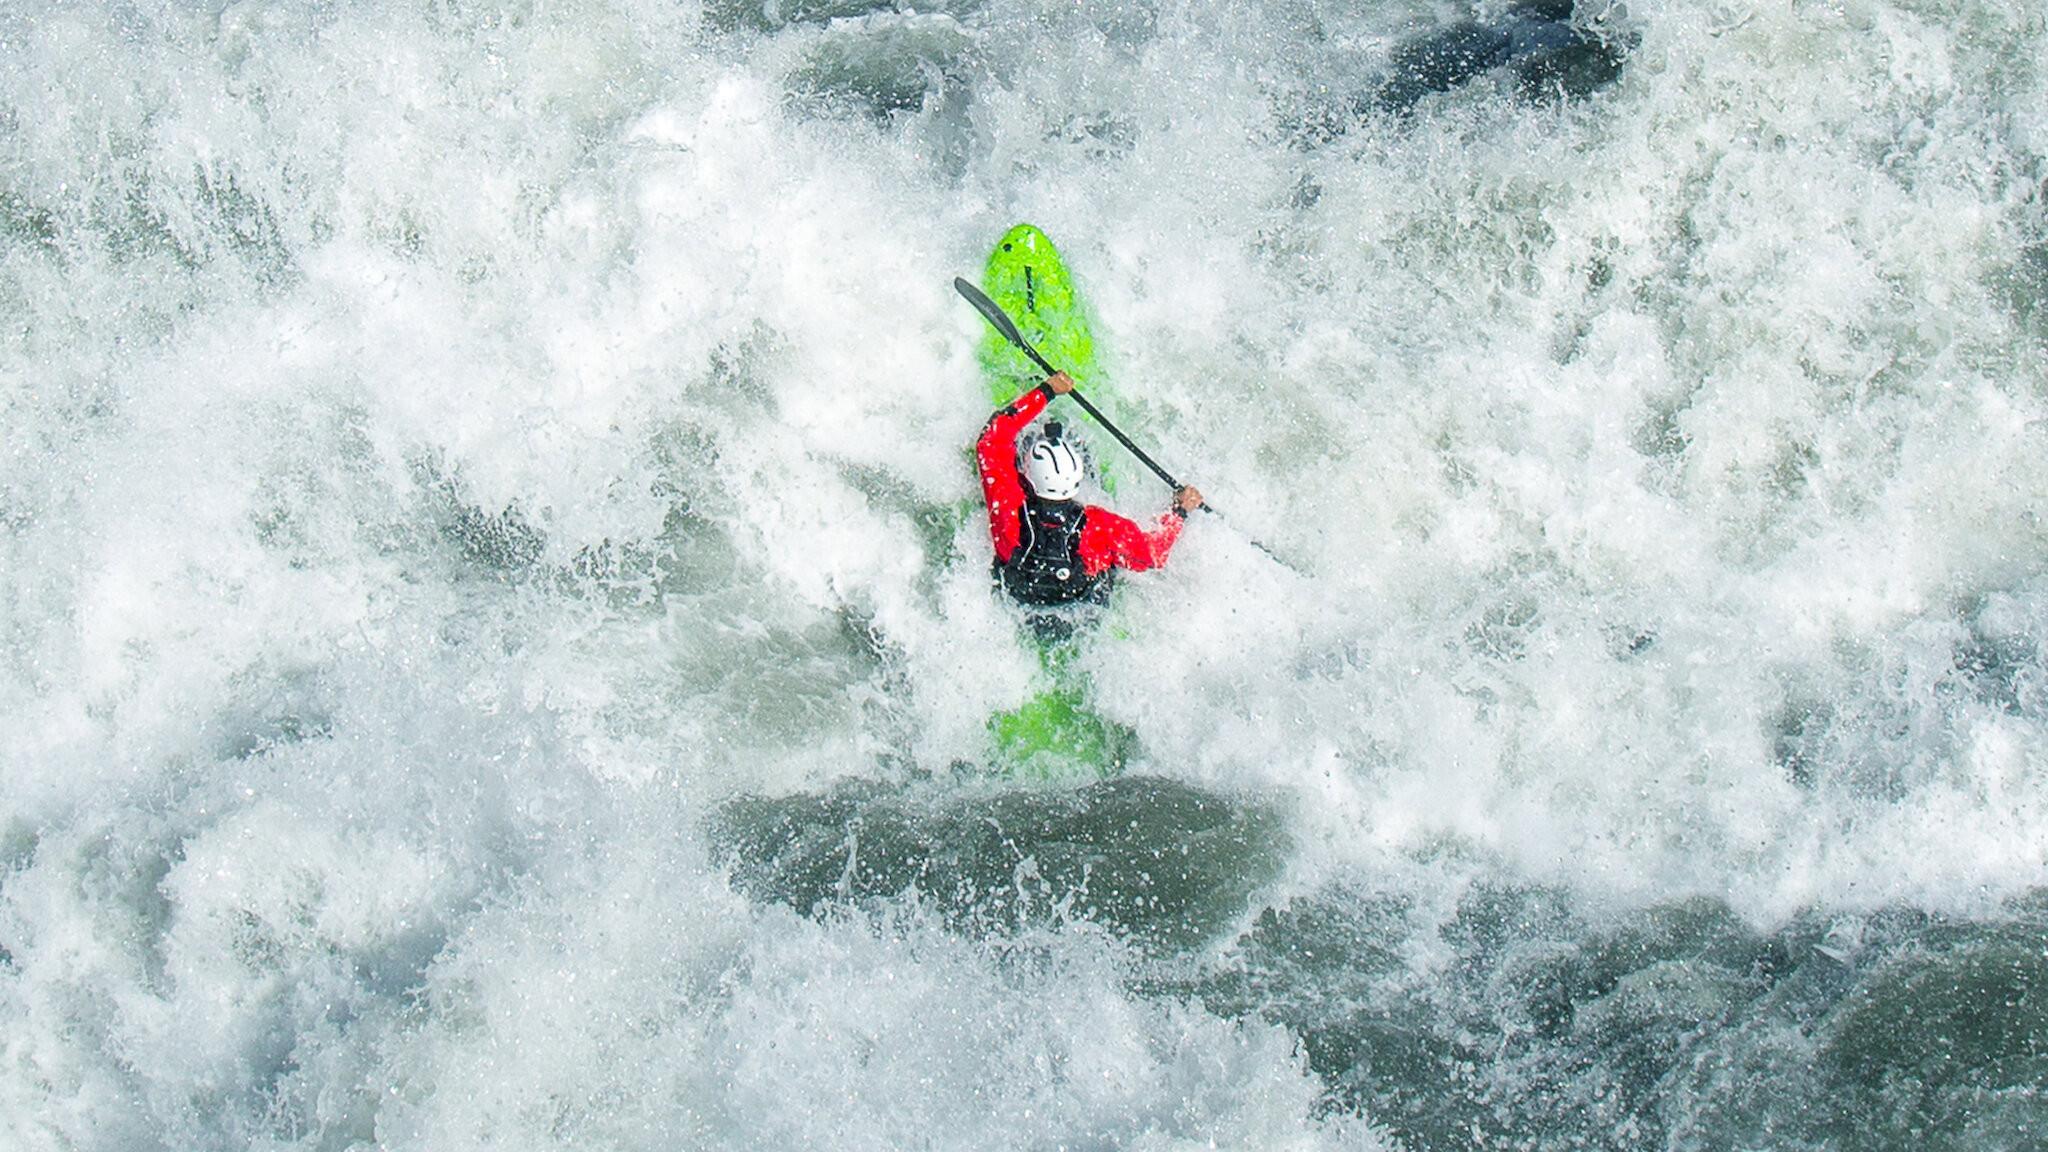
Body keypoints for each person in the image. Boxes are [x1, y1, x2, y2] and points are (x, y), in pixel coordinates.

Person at [977, 371, 1202, 637]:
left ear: (1029, 476)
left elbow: (990, 440)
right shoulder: (1099, 525)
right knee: (1104, 561)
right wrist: (1179, 511)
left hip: (1019, 602)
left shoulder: (1007, 505)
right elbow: (1152, 556)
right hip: (1080, 611)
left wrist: (1046, 391)